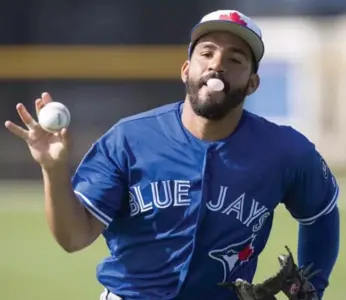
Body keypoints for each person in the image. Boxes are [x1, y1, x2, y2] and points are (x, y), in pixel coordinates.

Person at [4, 9, 339, 300]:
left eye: (235, 59)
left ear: (252, 83)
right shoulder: (129, 139)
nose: (217, 65)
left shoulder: (285, 151)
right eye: (206, 53)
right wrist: (53, 169)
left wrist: (313, 285)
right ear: (185, 70)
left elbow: (321, 213)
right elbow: (74, 237)